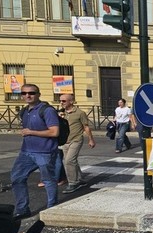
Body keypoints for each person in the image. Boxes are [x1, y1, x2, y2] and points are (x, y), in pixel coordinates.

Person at [10, 84, 60, 218]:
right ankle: (22, 209)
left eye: (31, 93)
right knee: (17, 178)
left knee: (48, 180)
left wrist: (31, 132)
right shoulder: (24, 111)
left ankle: (51, 208)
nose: (28, 95)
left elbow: (54, 132)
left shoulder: (47, 110)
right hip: (26, 151)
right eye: (24, 93)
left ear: (38, 94)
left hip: (45, 151)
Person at [58, 93, 96, 194]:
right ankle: (79, 179)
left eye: (64, 101)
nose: (61, 103)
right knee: (70, 160)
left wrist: (91, 139)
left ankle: (73, 183)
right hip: (65, 141)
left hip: (76, 139)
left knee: (69, 161)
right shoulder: (61, 113)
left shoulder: (80, 113)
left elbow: (86, 127)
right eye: (60, 101)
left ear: (71, 101)